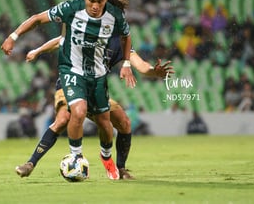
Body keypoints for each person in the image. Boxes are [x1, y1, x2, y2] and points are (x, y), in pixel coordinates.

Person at [2, 0, 137, 180]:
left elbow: (126, 37)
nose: (94, 6)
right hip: (71, 71)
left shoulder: (115, 16)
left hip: (98, 76)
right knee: (77, 112)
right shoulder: (70, 9)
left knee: (105, 122)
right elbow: (38, 19)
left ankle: (107, 158)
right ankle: (75, 158)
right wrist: (13, 37)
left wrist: (127, 63)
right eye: (91, 1)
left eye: (99, 2)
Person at [11, 34, 174, 180]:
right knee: (63, 119)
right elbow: (62, 40)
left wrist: (154, 71)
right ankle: (30, 164)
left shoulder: (121, 41)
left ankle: (120, 168)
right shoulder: (90, 25)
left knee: (124, 122)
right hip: (71, 82)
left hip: (95, 89)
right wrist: (38, 51)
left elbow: (141, 65)